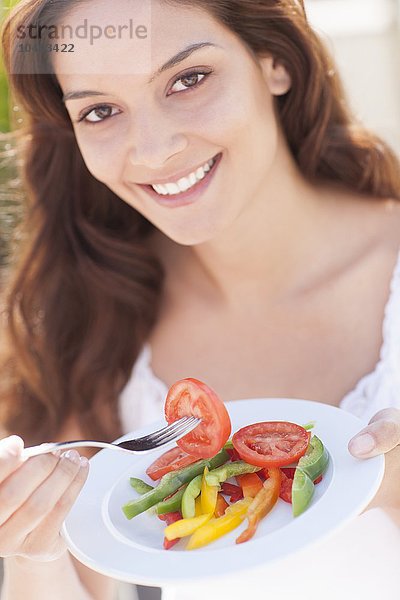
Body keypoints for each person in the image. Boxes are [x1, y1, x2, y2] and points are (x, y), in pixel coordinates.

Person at [0, 0, 400, 598]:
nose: (155, 150)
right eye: (101, 110)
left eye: (188, 79)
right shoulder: (82, 314)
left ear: (274, 63)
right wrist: (33, 552)